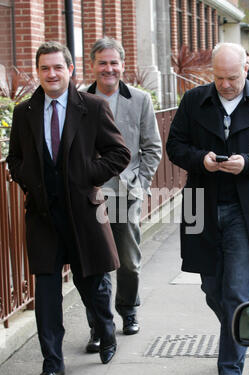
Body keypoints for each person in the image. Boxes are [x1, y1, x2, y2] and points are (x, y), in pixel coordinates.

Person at [166, 42, 249, 375]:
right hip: (200, 204)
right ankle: (246, 330)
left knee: (236, 291)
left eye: (232, 77)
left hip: (246, 210)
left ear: (246, 70)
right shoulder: (194, 101)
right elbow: (175, 146)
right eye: (218, 77)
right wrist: (201, 159)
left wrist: (247, 163)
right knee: (210, 288)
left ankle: (230, 369)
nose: (225, 84)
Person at [7, 41, 130, 375]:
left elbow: (119, 153)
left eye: (58, 67)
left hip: (84, 216)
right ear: (38, 72)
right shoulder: (24, 112)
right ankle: (52, 364)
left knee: (93, 286)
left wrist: (87, 175)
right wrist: (31, 180)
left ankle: (106, 332)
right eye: (45, 68)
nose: (51, 74)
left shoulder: (92, 107)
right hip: (43, 218)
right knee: (47, 295)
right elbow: (15, 159)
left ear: (71, 70)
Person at [84, 37, 162, 352]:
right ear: (92, 65)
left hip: (126, 193)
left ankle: (128, 310)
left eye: (114, 62)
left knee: (128, 261)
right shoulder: (78, 100)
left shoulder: (140, 99)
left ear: (123, 65)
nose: (109, 68)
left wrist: (139, 183)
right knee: (93, 263)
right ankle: (98, 326)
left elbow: (152, 148)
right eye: (102, 62)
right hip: (89, 194)